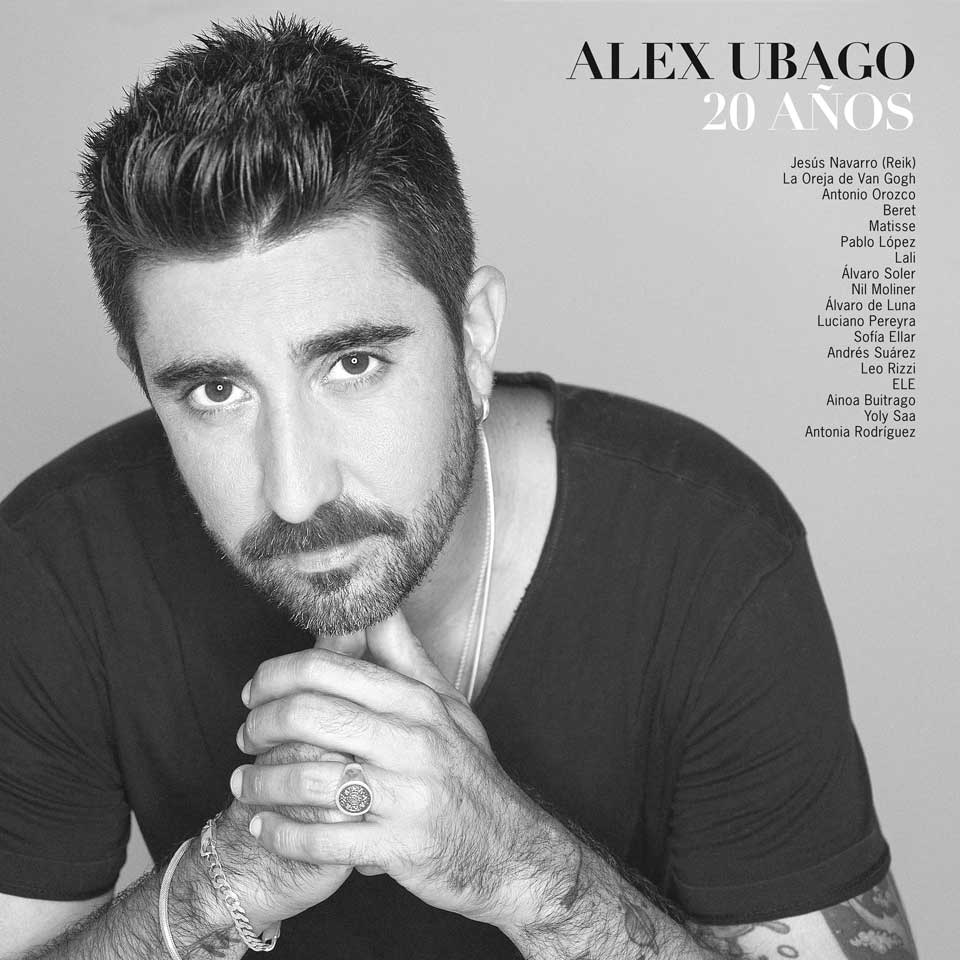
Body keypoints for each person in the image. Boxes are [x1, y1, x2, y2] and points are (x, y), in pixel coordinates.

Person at [0, 15, 916, 960]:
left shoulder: (709, 555)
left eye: (352, 364)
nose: (297, 494)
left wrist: (523, 873)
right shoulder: (54, 567)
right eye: (215, 392)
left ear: (474, 338)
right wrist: (220, 883)